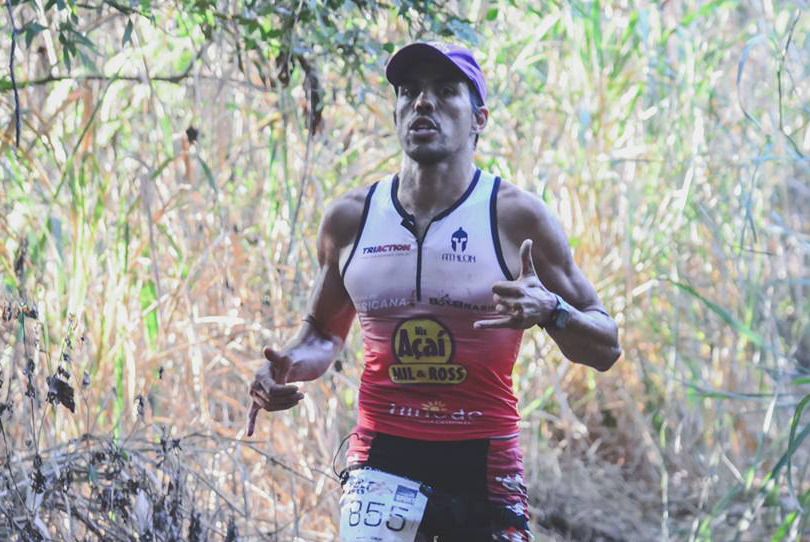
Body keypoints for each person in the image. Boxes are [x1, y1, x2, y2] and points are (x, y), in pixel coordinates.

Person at [247, 42, 621, 541]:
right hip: (381, 456)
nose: (424, 102)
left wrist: (552, 310)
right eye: (410, 92)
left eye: (445, 92)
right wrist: (285, 366)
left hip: (482, 460)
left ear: (479, 119)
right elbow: (322, 334)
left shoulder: (516, 218)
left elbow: (605, 346)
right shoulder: (350, 219)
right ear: (396, 113)